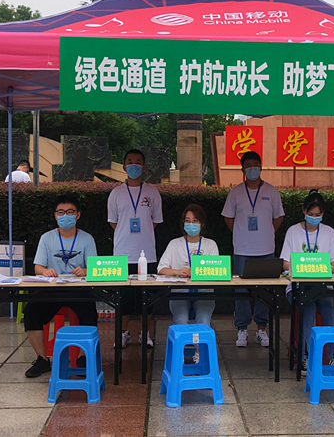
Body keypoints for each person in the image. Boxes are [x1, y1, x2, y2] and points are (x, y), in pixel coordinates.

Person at [23, 193, 98, 377]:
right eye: (61, 212)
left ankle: (83, 357)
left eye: (70, 212)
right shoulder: (46, 238)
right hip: (52, 289)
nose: (66, 216)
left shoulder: (87, 239)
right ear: (55, 216)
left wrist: (85, 271)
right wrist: (45, 272)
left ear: (78, 215)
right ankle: (42, 359)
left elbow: (94, 267)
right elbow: (38, 267)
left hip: (78, 289)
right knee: (31, 311)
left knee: (89, 313)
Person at [221, 151, 284, 348]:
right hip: (242, 249)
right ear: (242, 169)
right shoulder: (236, 192)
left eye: (255, 164)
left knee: (265, 289)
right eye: (248, 165)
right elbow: (228, 217)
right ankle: (242, 329)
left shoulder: (272, 191)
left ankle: (261, 329)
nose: (252, 168)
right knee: (241, 289)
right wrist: (241, 234)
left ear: (261, 167)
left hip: (266, 249)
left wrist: (267, 233)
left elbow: (278, 217)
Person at [281, 189, 334, 374]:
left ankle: (333, 358)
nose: (314, 218)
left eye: (318, 215)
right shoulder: (293, 232)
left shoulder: (329, 232)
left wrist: (330, 267)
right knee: (307, 308)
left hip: (322, 286)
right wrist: (304, 267)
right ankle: (303, 358)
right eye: (311, 214)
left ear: (323, 214)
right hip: (297, 286)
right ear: (303, 211)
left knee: (328, 310)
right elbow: (285, 263)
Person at [107, 149, 163, 348]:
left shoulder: (152, 192)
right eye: (130, 161)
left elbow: (155, 221)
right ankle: (124, 334)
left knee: (146, 299)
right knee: (123, 299)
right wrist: (127, 234)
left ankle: (144, 334)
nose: (134, 165)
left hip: (146, 254)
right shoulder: (116, 193)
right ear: (124, 167)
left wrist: (141, 233)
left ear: (144, 167)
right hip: (122, 253)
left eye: (138, 162)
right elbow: (113, 221)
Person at [158, 204, 219, 326]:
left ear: (202, 224)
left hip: (204, 292)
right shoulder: (174, 244)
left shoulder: (210, 245)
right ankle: (183, 340)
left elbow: (217, 270)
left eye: (195, 221)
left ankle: (201, 340)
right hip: (179, 292)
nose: (191, 224)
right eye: (187, 221)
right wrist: (178, 272)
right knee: (180, 320)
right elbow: (161, 269)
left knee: (204, 321)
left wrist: (197, 272)